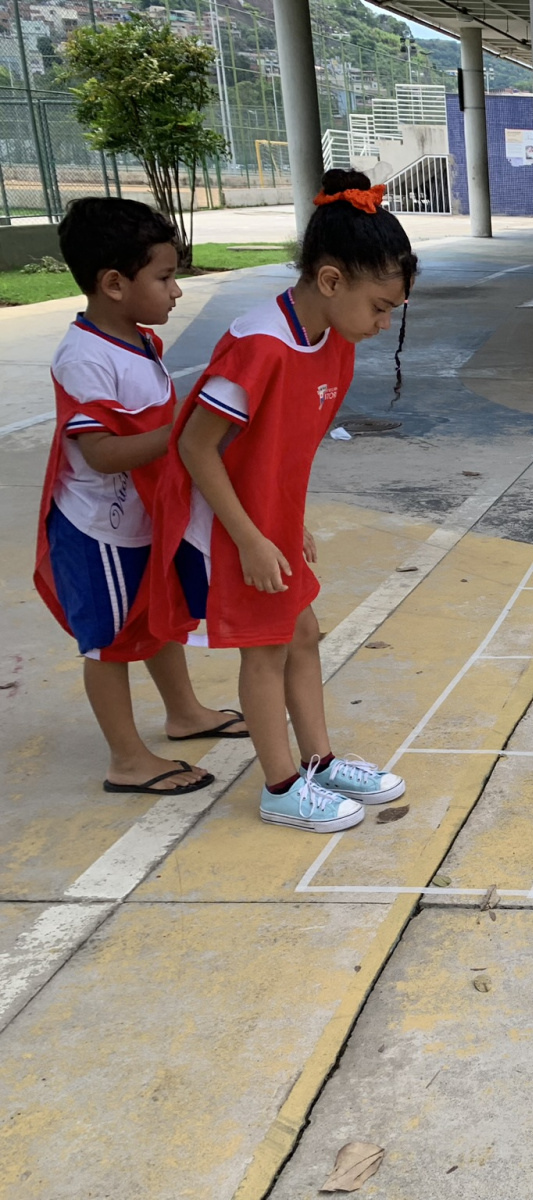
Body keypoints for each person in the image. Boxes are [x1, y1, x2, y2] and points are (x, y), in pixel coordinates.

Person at [149, 170, 416, 834]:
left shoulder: (334, 340)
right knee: (266, 650)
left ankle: (319, 762)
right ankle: (280, 786)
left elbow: (285, 451)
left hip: (266, 523)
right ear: (331, 281)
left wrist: (289, 524)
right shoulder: (259, 345)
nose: (383, 323)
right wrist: (249, 537)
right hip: (226, 527)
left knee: (302, 633)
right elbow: (195, 446)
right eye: (380, 306)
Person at [33, 198, 247, 797]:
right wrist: (185, 433)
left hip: (142, 516)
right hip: (97, 526)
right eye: (166, 276)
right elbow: (100, 453)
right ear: (114, 284)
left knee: (155, 616)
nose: (176, 292)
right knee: (109, 642)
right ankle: (126, 758)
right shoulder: (84, 358)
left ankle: (184, 713)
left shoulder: (139, 341)